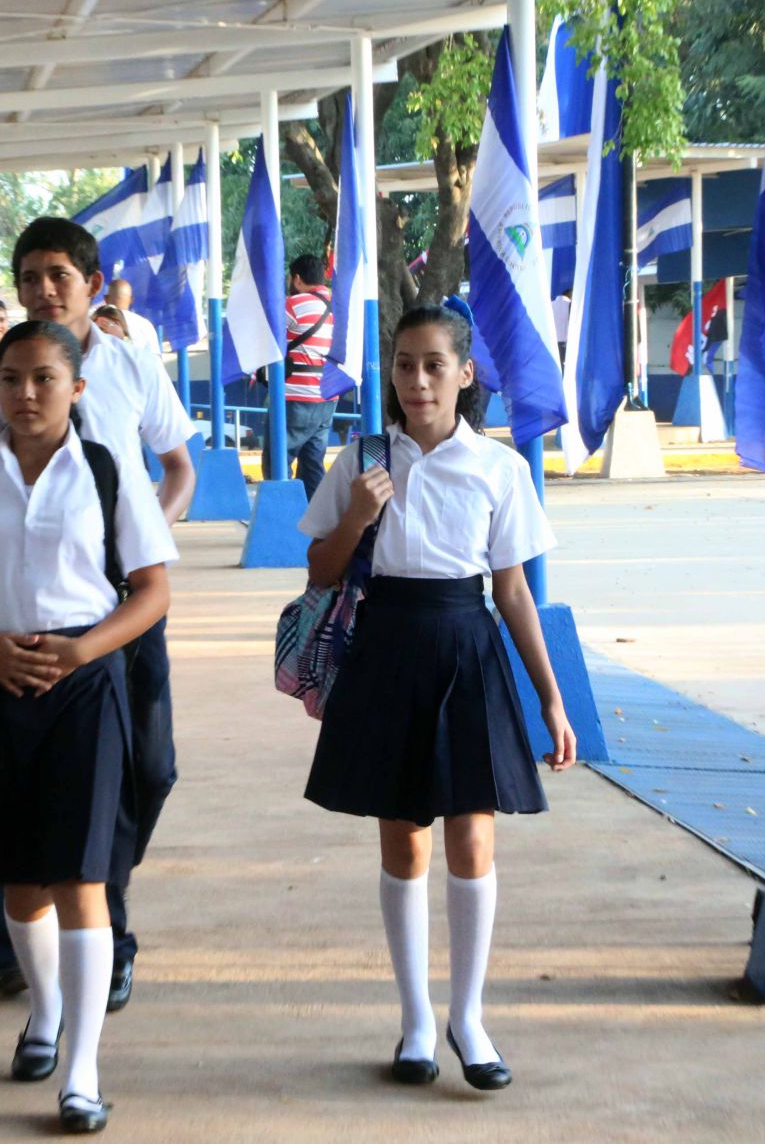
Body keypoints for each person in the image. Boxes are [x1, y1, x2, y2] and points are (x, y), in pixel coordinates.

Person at [0, 320, 175, 1135]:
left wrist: (83, 649)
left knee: (80, 876)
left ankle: (82, 1072)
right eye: (11, 378)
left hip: (82, 686)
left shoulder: (106, 469)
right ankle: (44, 1012)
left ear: (75, 387)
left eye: (44, 378)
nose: (25, 393)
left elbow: (151, 589)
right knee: (16, 876)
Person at [297, 305, 577, 1091]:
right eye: (403, 364)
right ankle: (416, 1018)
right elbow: (319, 568)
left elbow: (512, 591)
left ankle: (468, 1015)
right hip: (386, 647)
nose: (416, 380)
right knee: (403, 842)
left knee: (472, 838)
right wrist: (357, 514)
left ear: (464, 373)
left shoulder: (498, 468)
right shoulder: (359, 460)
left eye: (432, 364)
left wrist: (550, 698)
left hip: (466, 646)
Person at [0, 217, 197, 1014]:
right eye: (29, 277)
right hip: (35, 620)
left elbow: (178, 467)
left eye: (58, 275)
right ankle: (103, 938)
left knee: (149, 770)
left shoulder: (129, 365)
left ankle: (91, 901)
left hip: (123, 610)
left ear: (92, 284)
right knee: (57, 790)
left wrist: (143, 539)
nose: (43, 290)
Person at [262, 256, 336, 499]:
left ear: (296, 279)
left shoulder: (294, 304)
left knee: (277, 461)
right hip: (327, 398)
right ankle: (318, 517)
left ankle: (282, 514)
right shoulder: (337, 306)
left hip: (296, 397)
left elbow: (267, 336)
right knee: (313, 465)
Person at [101, 279, 162, 354]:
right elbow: (155, 358)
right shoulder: (145, 325)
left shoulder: (97, 324)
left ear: (106, 299)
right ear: (131, 300)